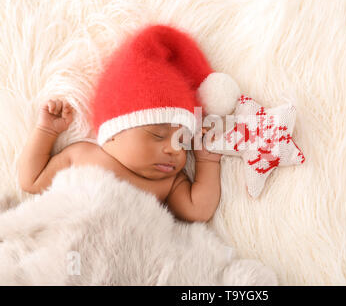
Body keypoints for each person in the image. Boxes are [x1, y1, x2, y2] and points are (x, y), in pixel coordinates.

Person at [17, 24, 239, 223]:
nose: (174, 149)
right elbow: (32, 180)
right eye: (158, 135)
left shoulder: (169, 183)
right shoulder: (82, 155)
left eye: (182, 141)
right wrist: (46, 131)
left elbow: (198, 210)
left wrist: (207, 161)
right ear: (114, 132)